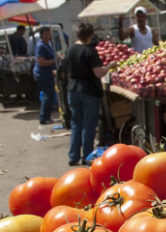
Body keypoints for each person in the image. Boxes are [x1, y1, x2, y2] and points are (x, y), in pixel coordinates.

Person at [61, 22, 109, 166]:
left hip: (73, 90)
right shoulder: (90, 51)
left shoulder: (70, 50)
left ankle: (73, 156)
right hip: (88, 92)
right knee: (89, 124)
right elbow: (98, 73)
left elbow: (63, 70)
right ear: (90, 35)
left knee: (76, 123)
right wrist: (110, 66)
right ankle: (87, 156)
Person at [33, 26, 58, 125]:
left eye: (49, 34)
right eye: (46, 34)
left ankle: (46, 116)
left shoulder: (48, 45)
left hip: (48, 73)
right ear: (41, 35)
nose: (48, 36)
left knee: (50, 95)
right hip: (42, 74)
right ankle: (44, 118)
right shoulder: (41, 46)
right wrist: (54, 60)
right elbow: (41, 62)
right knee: (49, 95)